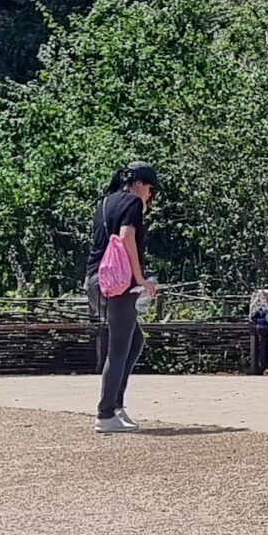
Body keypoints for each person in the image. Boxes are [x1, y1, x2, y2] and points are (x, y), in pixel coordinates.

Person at [87, 164, 158, 433]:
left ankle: (116, 405)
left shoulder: (105, 202)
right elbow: (127, 236)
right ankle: (106, 413)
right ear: (139, 183)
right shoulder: (133, 202)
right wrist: (140, 279)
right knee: (118, 348)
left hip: (95, 280)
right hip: (119, 283)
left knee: (134, 340)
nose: (150, 195)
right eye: (150, 188)